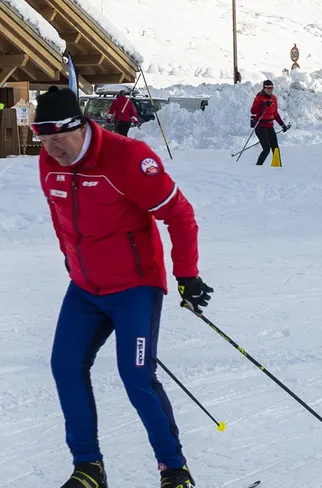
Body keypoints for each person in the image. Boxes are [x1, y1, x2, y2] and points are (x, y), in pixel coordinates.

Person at [35, 85, 206, 488]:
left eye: (59, 139)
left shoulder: (127, 158)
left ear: (80, 127)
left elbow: (179, 214)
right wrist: (70, 258)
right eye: (44, 140)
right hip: (85, 288)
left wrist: (187, 274)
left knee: (135, 376)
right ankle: (88, 467)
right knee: (65, 366)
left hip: (134, 287)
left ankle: (174, 470)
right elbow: (61, 216)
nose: (52, 149)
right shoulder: (48, 161)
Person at [248, 79, 287, 166]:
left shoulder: (274, 98)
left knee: (276, 148)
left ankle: (277, 167)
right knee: (266, 149)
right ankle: (258, 166)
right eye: (268, 88)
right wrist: (262, 105)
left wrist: (282, 125)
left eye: (271, 88)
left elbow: (275, 114)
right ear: (264, 88)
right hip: (260, 126)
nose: (270, 90)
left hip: (270, 126)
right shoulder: (259, 98)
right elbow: (253, 111)